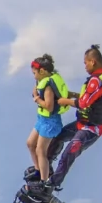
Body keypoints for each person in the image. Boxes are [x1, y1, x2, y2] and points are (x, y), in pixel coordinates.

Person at [27, 44, 102, 201]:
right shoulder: (99, 79)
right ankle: (46, 172)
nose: (85, 66)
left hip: (91, 128)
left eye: (85, 63)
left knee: (70, 151)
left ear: (93, 62)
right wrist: (71, 94)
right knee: (57, 138)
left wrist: (64, 100)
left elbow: (83, 103)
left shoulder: (98, 80)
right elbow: (85, 96)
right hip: (81, 123)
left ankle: (51, 185)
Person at [24, 54, 69, 183]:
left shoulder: (48, 87)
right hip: (42, 120)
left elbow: (49, 107)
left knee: (40, 150)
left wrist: (37, 98)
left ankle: (44, 180)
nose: (34, 76)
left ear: (42, 71)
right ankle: (39, 170)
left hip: (50, 122)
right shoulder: (42, 82)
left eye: (35, 73)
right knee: (30, 144)